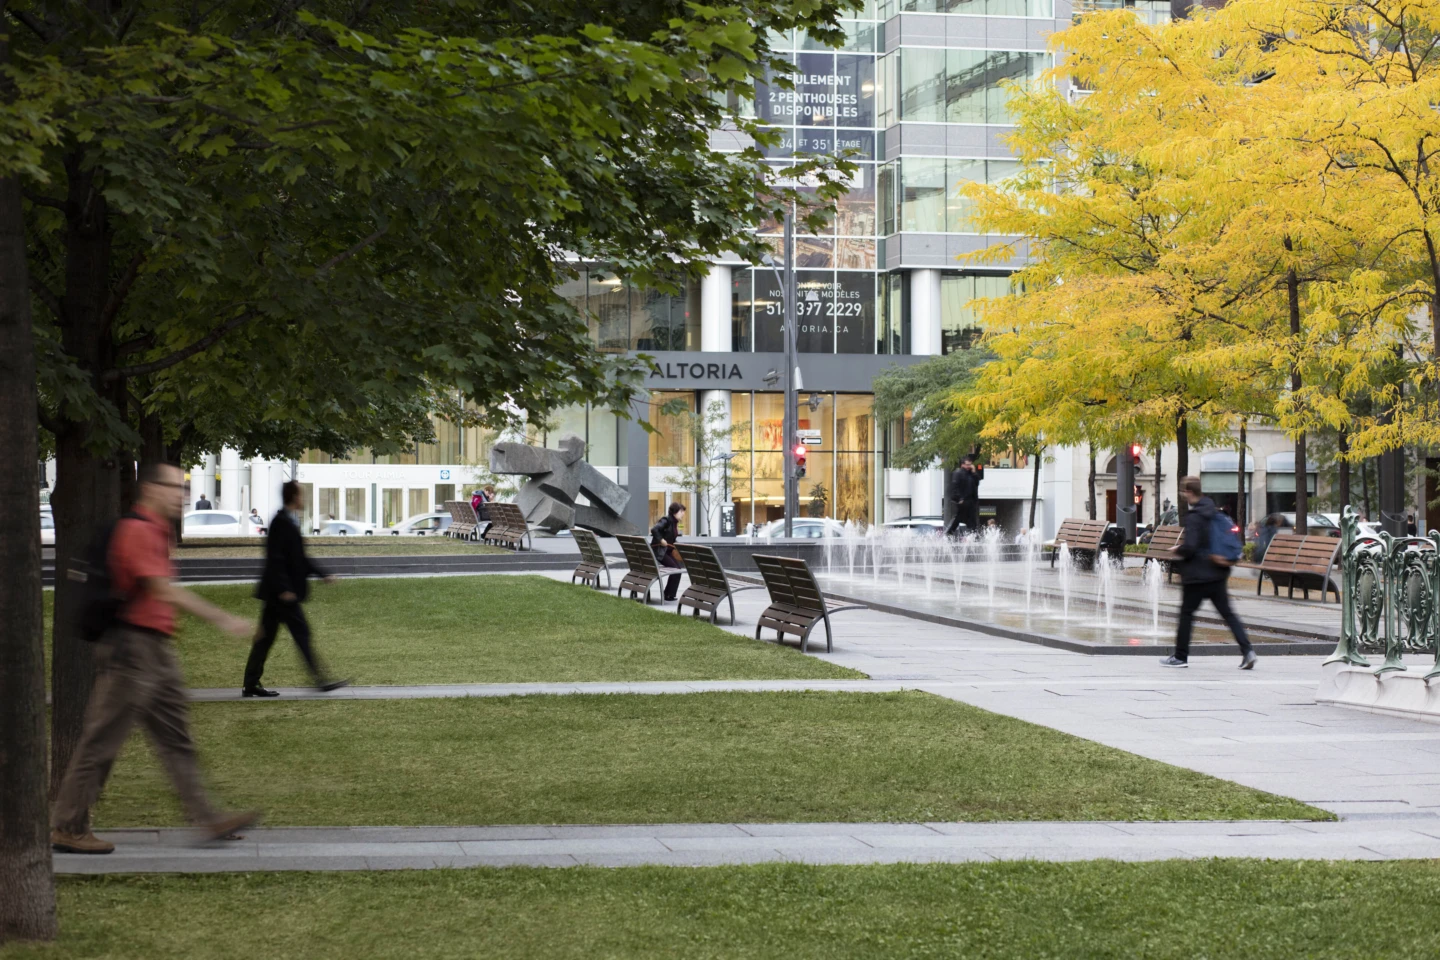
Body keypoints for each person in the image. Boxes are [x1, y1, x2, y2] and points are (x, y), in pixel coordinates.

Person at [51, 462, 260, 854]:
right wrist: (223, 618)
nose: (182, 495)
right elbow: (161, 589)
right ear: (149, 489)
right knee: (101, 742)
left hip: (155, 649)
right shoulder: (138, 530)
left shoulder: (158, 531)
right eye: (174, 487)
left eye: (184, 488)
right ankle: (68, 826)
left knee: (176, 738)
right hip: (132, 648)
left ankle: (208, 818)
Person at [243, 481, 349, 697]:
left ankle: (251, 684)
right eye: (301, 494)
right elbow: (275, 559)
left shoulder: (288, 520)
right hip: (282, 594)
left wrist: (323, 575)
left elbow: (299, 559)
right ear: (293, 497)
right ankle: (320, 680)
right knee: (301, 633)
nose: (303, 498)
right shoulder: (280, 522)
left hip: (278, 593)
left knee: (265, 639)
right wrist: (284, 588)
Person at [1162, 476, 1255, 670]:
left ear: (1189, 492)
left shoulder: (1195, 516)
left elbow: (1191, 546)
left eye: (1183, 491)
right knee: (1228, 614)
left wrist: (1178, 549)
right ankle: (1248, 651)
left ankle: (1180, 657)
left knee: (1186, 614)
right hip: (1217, 572)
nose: (1182, 495)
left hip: (1197, 575)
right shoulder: (1213, 511)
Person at [650, 502, 686, 602]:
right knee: (676, 569)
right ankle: (668, 594)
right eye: (681, 511)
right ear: (675, 512)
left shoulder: (674, 523)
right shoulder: (666, 520)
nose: (683, 514)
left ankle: (669, 594)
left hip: (667, 551)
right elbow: (654, 529)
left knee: (678, 569)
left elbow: (670, 538)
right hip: (660, 552)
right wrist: (661, 540)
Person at [945, 457, 983, 537]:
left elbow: (977, 483)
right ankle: (950, 533)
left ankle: (972, 535)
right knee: (961, 518)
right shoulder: (958, 473)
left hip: (971, 500)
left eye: (970, 464)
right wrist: (959, 498)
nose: (969, 466)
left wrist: (974, 472)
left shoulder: (971, 474)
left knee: (970, 519)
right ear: (962, 465)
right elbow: (955, 486)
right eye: (967, 465)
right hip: (963, 500)